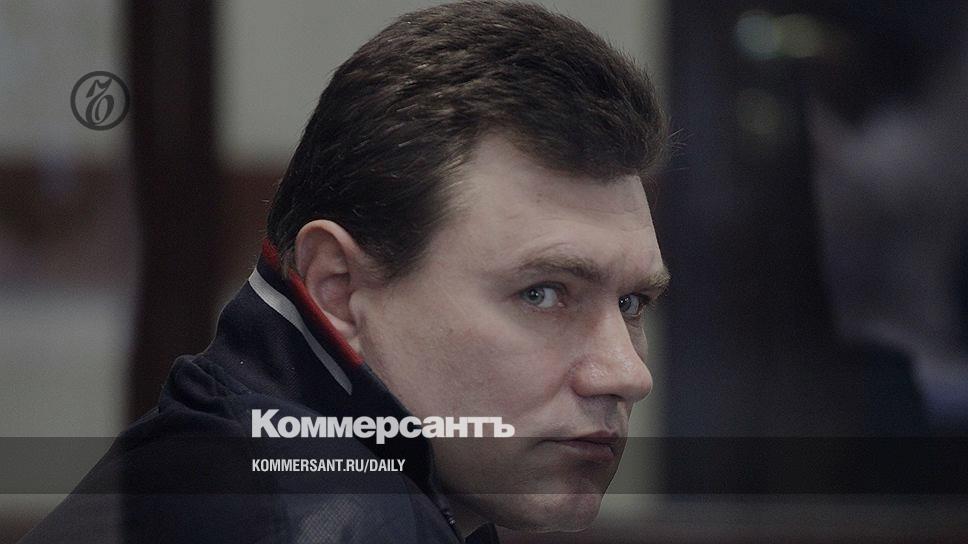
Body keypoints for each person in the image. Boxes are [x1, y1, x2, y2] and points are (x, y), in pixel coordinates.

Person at [21, 1, 669, 542]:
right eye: (543, 293)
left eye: (633, 303)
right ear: (338, 288)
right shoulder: (326, 517)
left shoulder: (250, 468)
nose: (628, 374)